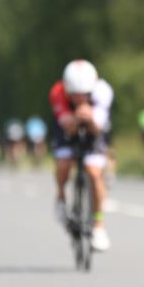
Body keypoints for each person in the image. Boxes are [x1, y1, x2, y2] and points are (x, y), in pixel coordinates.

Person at [49, 60, 114, 251]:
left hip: (94, 126)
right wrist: (77, 117)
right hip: (68, 126)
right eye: (75, 95)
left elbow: (98, 128)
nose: (80, 98)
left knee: (94, 173)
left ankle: (99, 225)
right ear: (67, 90)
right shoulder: (57, 92)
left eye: (85, 94)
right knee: (64, 163)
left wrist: (90, 118)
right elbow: (67, 127)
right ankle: (61, 196)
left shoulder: (103, 91)